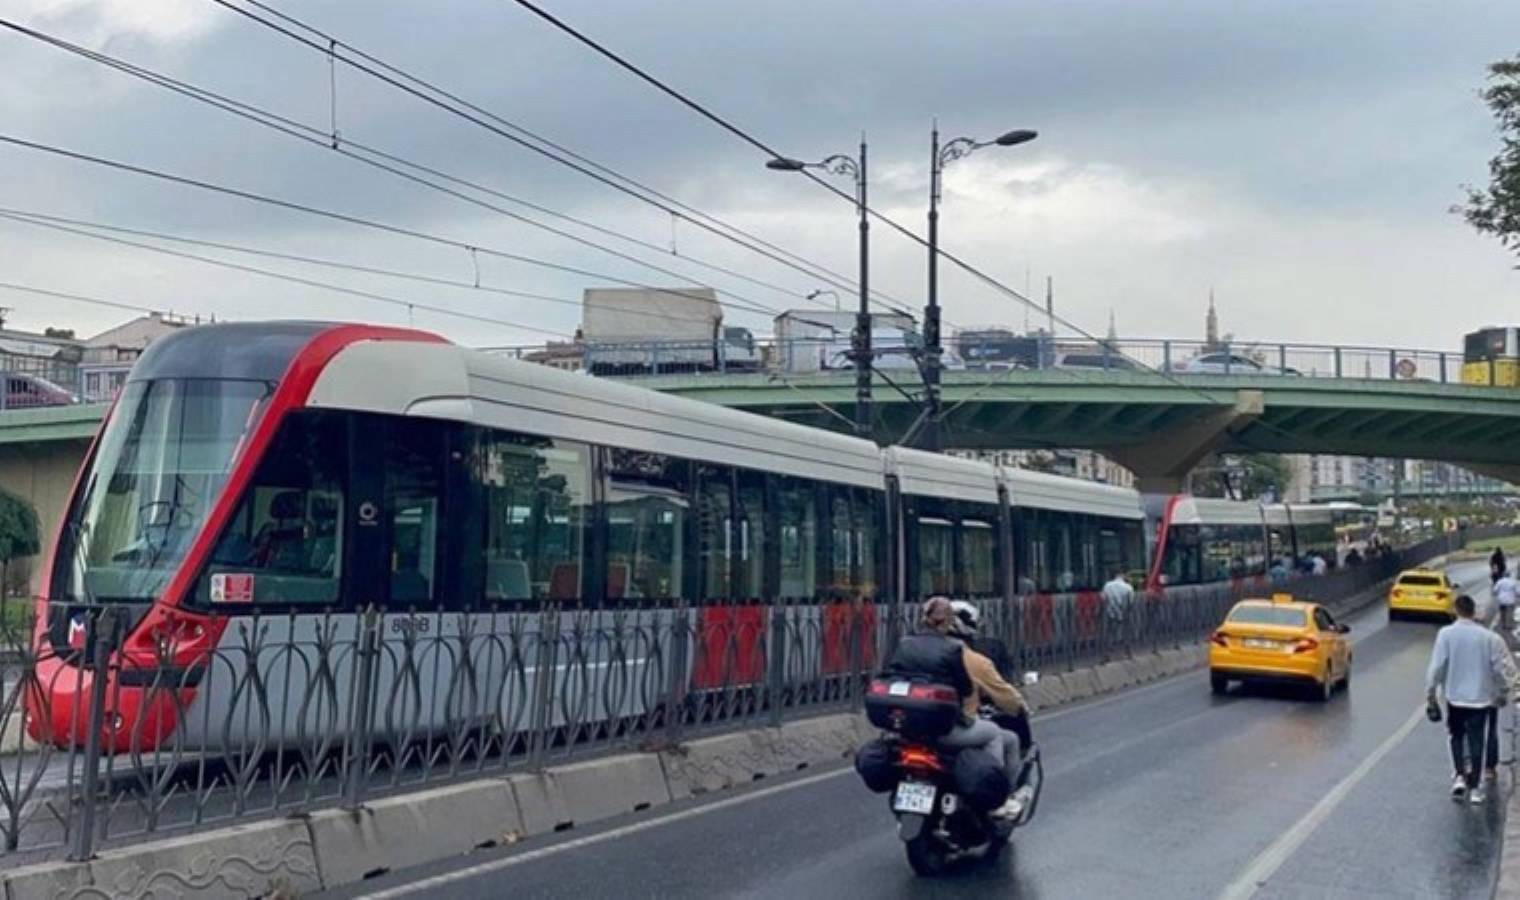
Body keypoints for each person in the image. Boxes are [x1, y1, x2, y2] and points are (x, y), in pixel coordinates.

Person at [882, 597, 1005, 788]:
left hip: (908, 730)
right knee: (993, 733)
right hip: (943, 730)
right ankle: (991, 788)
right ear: (948, 621)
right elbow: (965, 688)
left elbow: (889, 675)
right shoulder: (952, 649)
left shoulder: (904, 644)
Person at [948, 600, 1032, 821]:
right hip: (953, 727)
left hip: (914, 727)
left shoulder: (914, 651)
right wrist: (1019, 706)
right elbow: (1005, 696)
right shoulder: (972, 660)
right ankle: (995, 798)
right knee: (1005, 738)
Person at [1426, 594, 1512, 804]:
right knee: (1477, 741)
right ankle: (1476, 787)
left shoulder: (1446, 634)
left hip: (1454, 697)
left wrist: (1431, 692)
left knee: (1456, 736)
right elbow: (1499, 668)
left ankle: (1459, 777)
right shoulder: (1488, 638)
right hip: (1480, 698)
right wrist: (1502, 692)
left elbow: (1437, 666)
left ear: (1456, 610)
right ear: (1473, 611)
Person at [1102, 571, 1135, 652]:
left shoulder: (1107, 585)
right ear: (1123, 576)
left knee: (1110, 630)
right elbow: (1131, 601)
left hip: (1110, 612)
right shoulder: (1128, 587)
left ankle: (1109, 647)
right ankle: (1126, 649)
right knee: (1125, 630)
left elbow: (1103, 598)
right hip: (1123, 612)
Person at [1496, 566, 1518, 635]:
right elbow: (1517, 591)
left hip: (1501, 600)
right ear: (1509, 575)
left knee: (1502, 612)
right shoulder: (1512, 582)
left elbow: (1495, 590)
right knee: (1509, 613)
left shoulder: (1499, 582)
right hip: (1510, 600)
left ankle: (1503, 624)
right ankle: (1508, 625)